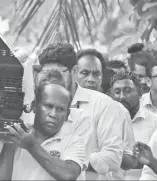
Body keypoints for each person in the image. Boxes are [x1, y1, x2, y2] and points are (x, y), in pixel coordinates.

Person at [37, 43, 130, 180]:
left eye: (57, 73)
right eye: (45, 74)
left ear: (74, 71)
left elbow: (113, 157)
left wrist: (73, 162)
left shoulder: (104, 105)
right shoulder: (38, 105)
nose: (50, 79)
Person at [0, 83, 85, 180]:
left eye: (60, 109)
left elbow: (68, 175)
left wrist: (31, 146)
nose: (53, 114)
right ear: (34, 107)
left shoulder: (74, 141)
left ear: (67, 114)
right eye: (48, 106)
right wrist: (9, 143)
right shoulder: (17, 133)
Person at [109, 71, 157, 179]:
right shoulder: (104, 123)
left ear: (140, 93)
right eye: (117, 92)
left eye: (127, 91)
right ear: (111, 95)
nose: (122, 97)